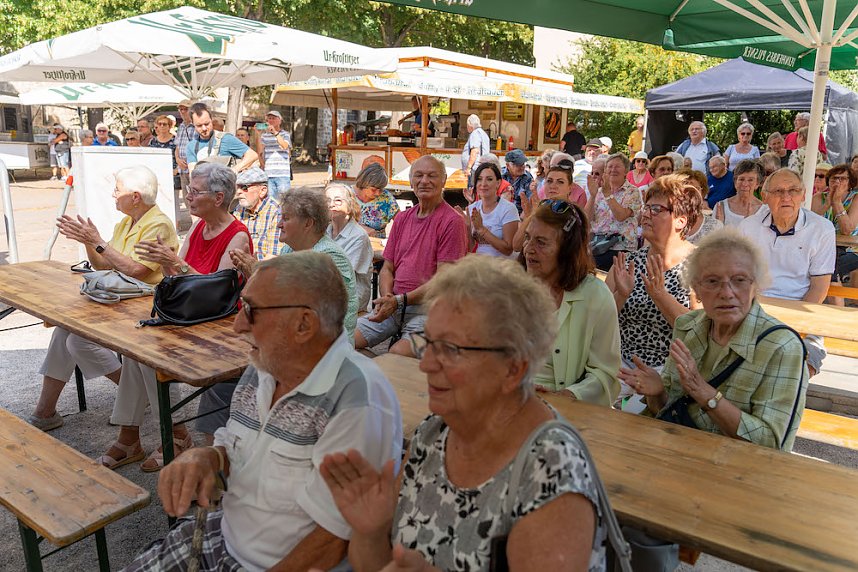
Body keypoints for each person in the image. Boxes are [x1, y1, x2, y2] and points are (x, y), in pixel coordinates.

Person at [319, 255, 606, 572]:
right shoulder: (434, 433)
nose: (426, 364)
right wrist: (371, 532)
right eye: (428, 343)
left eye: (451, 349)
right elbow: (379, 564)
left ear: (513, 368)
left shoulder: (553, 470)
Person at [123, 252, 403, 572]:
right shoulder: (268, 364)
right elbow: (237, 451)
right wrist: (208, 459)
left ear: (303, 324)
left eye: (251, 310)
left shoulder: (356, 397)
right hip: (220, 535)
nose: (238, 326)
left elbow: (334, 539)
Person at [99, 163, 252, 471]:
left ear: (218, 198)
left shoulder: (237, 236)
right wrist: (166, 263)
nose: (187, 197)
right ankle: (134, 436)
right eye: (189, 190)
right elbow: (178, 277)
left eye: (195, 191)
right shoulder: (197, 227)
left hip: (219, 327)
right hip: (191, 316)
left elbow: (216, 293)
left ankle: (168, 435)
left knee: (147, 355)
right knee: (137, 350)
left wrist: (174, 262)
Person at [625, 228, 808, 449]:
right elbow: (670, 412)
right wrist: (657, 394)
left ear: (755, 286)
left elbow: (771, 443)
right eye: (712, 281)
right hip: (679, 452)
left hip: (738, 465)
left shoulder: (782, 347)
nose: (727, 293)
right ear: (696, 289)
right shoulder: (686, 326)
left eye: (739, 280)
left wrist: (703, 392)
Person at [28, 166, 179, 432]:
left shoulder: (159, 224)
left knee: (78, 340)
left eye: (117, 190)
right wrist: (88, 241)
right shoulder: (126, 223)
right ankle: (45, 410)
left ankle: (135, 392)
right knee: (65, 329)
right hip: (121, 299)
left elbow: (137, 270)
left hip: (145, 306)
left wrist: (98, 242)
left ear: (135, 196)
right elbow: (103, 265)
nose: (113, 194)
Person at [355, 155, 467, 356]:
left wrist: (398, 301)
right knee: (341, 341)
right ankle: (376, 371)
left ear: (443, 181)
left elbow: (443, 281)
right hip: (395, 306)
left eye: (432, 175)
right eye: (419, 175)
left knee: (396, 356)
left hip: (430, 311)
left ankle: (382, 369)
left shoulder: (452, 221)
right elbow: (387, 268)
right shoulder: (402, 219)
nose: (424, 181)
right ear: (411, 181)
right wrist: (388, 298)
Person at [606, 174, 700, 410]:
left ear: (680, 220)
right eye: (646, 208)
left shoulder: (701, 267)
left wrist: (660, 295)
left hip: (668, 372)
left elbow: (699, 331)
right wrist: (621, 296)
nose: (646, 214)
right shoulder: (628, 262)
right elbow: (600, 320)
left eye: (656, 209)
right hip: (620, 366)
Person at [520, 200, 620, 406]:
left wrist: (569, 396)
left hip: (567, 410)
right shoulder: (511, 289)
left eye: (541, 242)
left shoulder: (596, 296)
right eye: (527, 237)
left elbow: (605, 373)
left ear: (567, 250)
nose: (528, 249)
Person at [738, 168, 835, 376]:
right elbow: (739, 279)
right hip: (755, 314)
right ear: (765, 197)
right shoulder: (748, 227)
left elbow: (819, 288)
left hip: (803, 316)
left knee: (797, 371)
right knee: (738, 366)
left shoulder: (822, 229)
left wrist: (793, 327)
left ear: (803, 195)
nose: (786, 197)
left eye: (793, 190)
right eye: (778, 191)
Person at [585, 153, 642, 271]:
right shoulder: (599, 192)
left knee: (591, 266)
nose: (613, 170)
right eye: (610, 167)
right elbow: (586, 218)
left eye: (617, 166)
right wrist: (592, 195)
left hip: (619, 247)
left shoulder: (632, 191)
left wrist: (608, 194)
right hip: (597, 245)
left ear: (626, 171)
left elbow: (621, 216)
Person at [326, 182, 374, 311]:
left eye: (338, 200)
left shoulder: (358, 236)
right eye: (328, 200)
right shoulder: (325, 231)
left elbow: (341, 275)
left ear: (349, 207)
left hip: (350, 298)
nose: (331, 204)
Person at [811, 163, 858, 290]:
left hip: (852, 249)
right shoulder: (818, 198)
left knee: (829, 268)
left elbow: (847, 230)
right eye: (834, 178)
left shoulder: (855, 199)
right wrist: (827, 204)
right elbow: (811, 226)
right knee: (828, 267)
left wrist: (837, 202)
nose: (837, 182)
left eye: (842, 179)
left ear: (850, 183)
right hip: (824, 247)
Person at [463, 162, 519, 257]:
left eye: (489, 179)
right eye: (479, 179)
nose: (483, 184)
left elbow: (508, 250)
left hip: (502, 264)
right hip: (478, 263)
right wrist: (467, 227)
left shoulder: (508, 209)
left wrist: (482, 229)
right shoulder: (472, 208)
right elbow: (471, 248)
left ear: (498, 183)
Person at [186, 102, 258, 173]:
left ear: (211, 120)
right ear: (193, 124)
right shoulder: (191, 146)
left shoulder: (225, 138)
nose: (204, 128)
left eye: (207, 124)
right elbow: (192, 172)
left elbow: (252, 155)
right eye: (199, 125)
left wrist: (234, 170)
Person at [233, 167, 281, 259]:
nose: (238, 192)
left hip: (264, 266)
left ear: (262, 191)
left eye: (244, 187)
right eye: (237, 187)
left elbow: (273, 256)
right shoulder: (239, 209)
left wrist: (252, 267)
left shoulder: (276, 212)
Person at [676, 168, 723, 244]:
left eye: (696, 189)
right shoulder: (667, 222)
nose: (691, 193)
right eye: (686, 189)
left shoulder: (715, 226)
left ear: (702, 193)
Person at [353, 162, 400, 238]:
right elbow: (336, 223)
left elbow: (401, 222)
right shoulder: (347, 195)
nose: (378, 193)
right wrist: (360, 229)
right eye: (373, 189)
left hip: (377, 242)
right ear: (364, 184)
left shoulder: (386, 198)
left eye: (381, 189)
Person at [714, 159, 764, 226]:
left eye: (750, 180)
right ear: (735, 182)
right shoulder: (721, 207)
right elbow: (713, 232)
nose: (745, 184)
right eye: (741, 179)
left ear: (757, 184)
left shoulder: (765, 211)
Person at [256, 109, 292, 201]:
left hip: (282, 173)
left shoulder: (285, 134)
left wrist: (275, 133)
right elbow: (259, 151)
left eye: (273, 118)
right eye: (269, 118)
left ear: (280, 121)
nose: (271, 120)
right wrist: (258, 134)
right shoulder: (264, 135)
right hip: (269, 173)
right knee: (270, 201)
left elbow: (284, 146)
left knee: (284, 200)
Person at [148, 115, 179, 188]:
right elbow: (149, 158)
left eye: (164, 124)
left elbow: (181, 156)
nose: (162, 126)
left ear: (169, 126)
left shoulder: (176, 140)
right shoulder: (152, 141)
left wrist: (176, 170)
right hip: (156, 175)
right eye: (159, 124)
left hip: (173, 175)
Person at [461, 114, 490, 186]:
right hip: (481, 168)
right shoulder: (483, 133)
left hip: (475, 169)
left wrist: (468, 168)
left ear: (470, 125)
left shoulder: (475, 134)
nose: (467, 127)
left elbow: (475, 151)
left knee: (472, 189)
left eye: (467, 125)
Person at [503, 148, 534, 214]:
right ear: (508, 165)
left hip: (520, 215)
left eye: (523, 164)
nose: (521, 167)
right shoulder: (499, 176)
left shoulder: (528, 178)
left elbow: (529, 202)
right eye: (517, 165)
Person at [175, 100, 196, 193]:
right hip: (182, 169)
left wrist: (189, 161)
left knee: (196, 196)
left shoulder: (197, 126)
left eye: (185, 109)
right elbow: (177, 147)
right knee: (186, 197)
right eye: (181, 109)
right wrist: (177, 159)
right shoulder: (181, 126)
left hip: (194, 168)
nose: (183, 112)